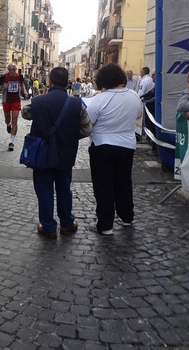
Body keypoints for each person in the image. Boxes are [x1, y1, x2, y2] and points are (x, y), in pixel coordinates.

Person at [25, 67, 92, 239]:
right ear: (67, 82)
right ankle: (67, 224)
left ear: (50, 81)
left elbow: (26, 114)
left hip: (42, 152)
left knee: (44, 189)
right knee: (64, 188)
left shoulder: (38, 102)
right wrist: (70, 136)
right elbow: (86, 129)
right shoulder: (77, 104)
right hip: (65, 152)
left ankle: (48, 226)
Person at [87, 63, 143, 236]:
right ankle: (127, 217)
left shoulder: (99, 99)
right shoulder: (134, 96)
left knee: (103, 184)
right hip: (127, 144)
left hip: (102, 144)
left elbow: (89, 122)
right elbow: (138, 115)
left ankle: (105, 224)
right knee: (124, 181)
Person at [0, 63, 27, 151]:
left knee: (15, 120)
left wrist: (24, 91)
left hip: (16, 101)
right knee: (7, 119)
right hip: (6, 101)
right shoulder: (3, 78)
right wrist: (3, 87)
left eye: (14, 69)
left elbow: (22, 84)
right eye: (11, 69)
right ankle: (8, 124)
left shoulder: (20, 76)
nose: (12, 71)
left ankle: (12, 142)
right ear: (8, 70)